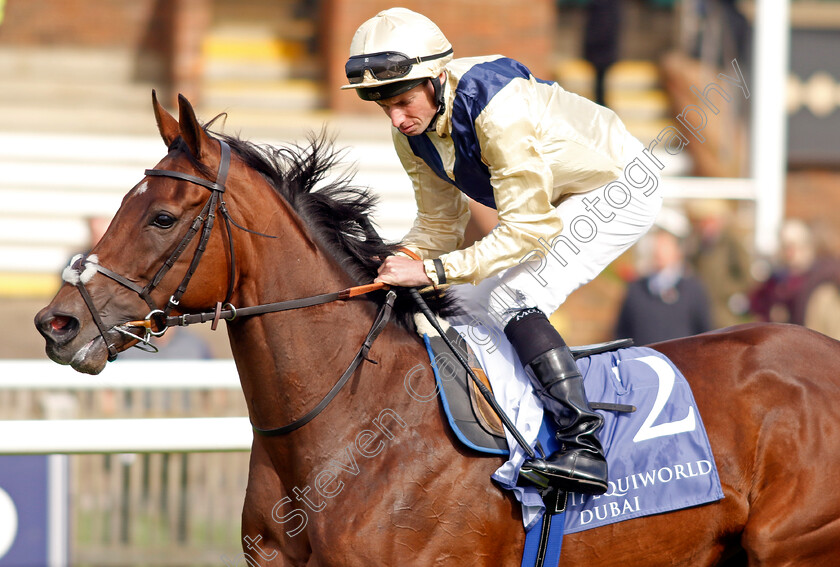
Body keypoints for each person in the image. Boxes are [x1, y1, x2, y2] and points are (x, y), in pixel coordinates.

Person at [343, 8, 662, 495]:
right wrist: (397, 258)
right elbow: (440, 222)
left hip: (620, 186)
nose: (396, 118)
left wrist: (430, 270)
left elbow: (527, 229)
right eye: (383, 106)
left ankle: (583, 447)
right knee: (465, 307)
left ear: (435, 79)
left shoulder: (496, 106)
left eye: (403, 102)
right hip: (559, 200)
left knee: (511, 297)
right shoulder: (411, 129)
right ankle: (501, 437)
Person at [615, 229, 713, 345]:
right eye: (656, 246)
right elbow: (622, 331)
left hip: (680, 360)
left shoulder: (692, 289)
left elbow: (705, 331)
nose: (659, 251)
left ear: (677, 251)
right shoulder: (636, 289)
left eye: (665, 246)